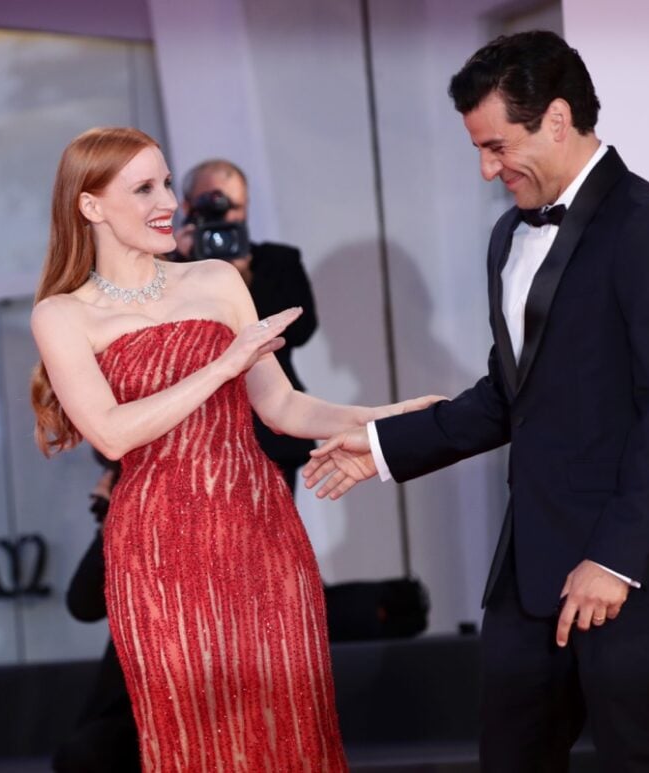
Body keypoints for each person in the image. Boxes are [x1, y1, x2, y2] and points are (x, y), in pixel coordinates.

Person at [306, 30, 649, 772]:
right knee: (512, 753)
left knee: (636, 751)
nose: (488, 170)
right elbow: (508, 395)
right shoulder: (505, 239)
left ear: (557, 118)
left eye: (497, 146)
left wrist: (613, 560)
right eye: (478, 151)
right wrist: (385, 446)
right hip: (531, 559)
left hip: (634, 555)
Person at [29, 126, 441, 770]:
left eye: (166, 183)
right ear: (90, 206)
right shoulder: (62, 315)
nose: (167, 200)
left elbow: (282, 406)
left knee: (291, 735)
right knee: (197, 743)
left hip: (259, 530)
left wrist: (388, 416)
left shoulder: (216, 278)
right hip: (157, 548)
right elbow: (109, 431)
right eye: (144, 188)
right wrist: (221, 367)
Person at [172, 159, 318, 492]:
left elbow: (301, 329)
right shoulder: (169, 270)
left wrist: (242, 279)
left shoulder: (278, 262)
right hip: (191, 436)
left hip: (268, 435)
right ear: (187, 207)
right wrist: (179, 264)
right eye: (210, 204)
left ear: (247, 206)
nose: (224, 215)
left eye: (233, 205)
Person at [52, 452, 139, 773]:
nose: (99, 485)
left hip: (192, 689)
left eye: (110, 473)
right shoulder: (119, 531)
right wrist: (109, 530)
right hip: (127, 706)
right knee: (86, 754)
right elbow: (83, 605)